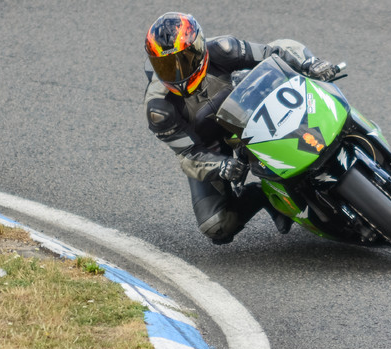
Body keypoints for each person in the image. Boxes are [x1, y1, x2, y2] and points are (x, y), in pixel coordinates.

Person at [143, 12, 340, 244]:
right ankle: (263, 195)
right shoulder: (159, 110)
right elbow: (188, 156)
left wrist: (309, 63)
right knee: (216, 225)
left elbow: (274, 51)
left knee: (301, 69)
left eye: (183, 60)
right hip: (211, 145)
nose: (177, 72)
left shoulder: (223, 49)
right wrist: (220, 165)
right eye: (165, 66)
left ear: (198, 49)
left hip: (253, 110)